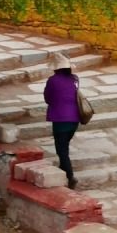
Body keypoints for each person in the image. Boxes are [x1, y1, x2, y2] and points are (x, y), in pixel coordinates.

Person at [42, 53, 83, 189]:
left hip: (60, 119)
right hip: (75, 119)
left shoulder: (52, 81)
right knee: (64, 145)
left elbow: (48, 98)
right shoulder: (75, 79)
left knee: (61, 150)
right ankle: (63, 169)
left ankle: (70, 177)